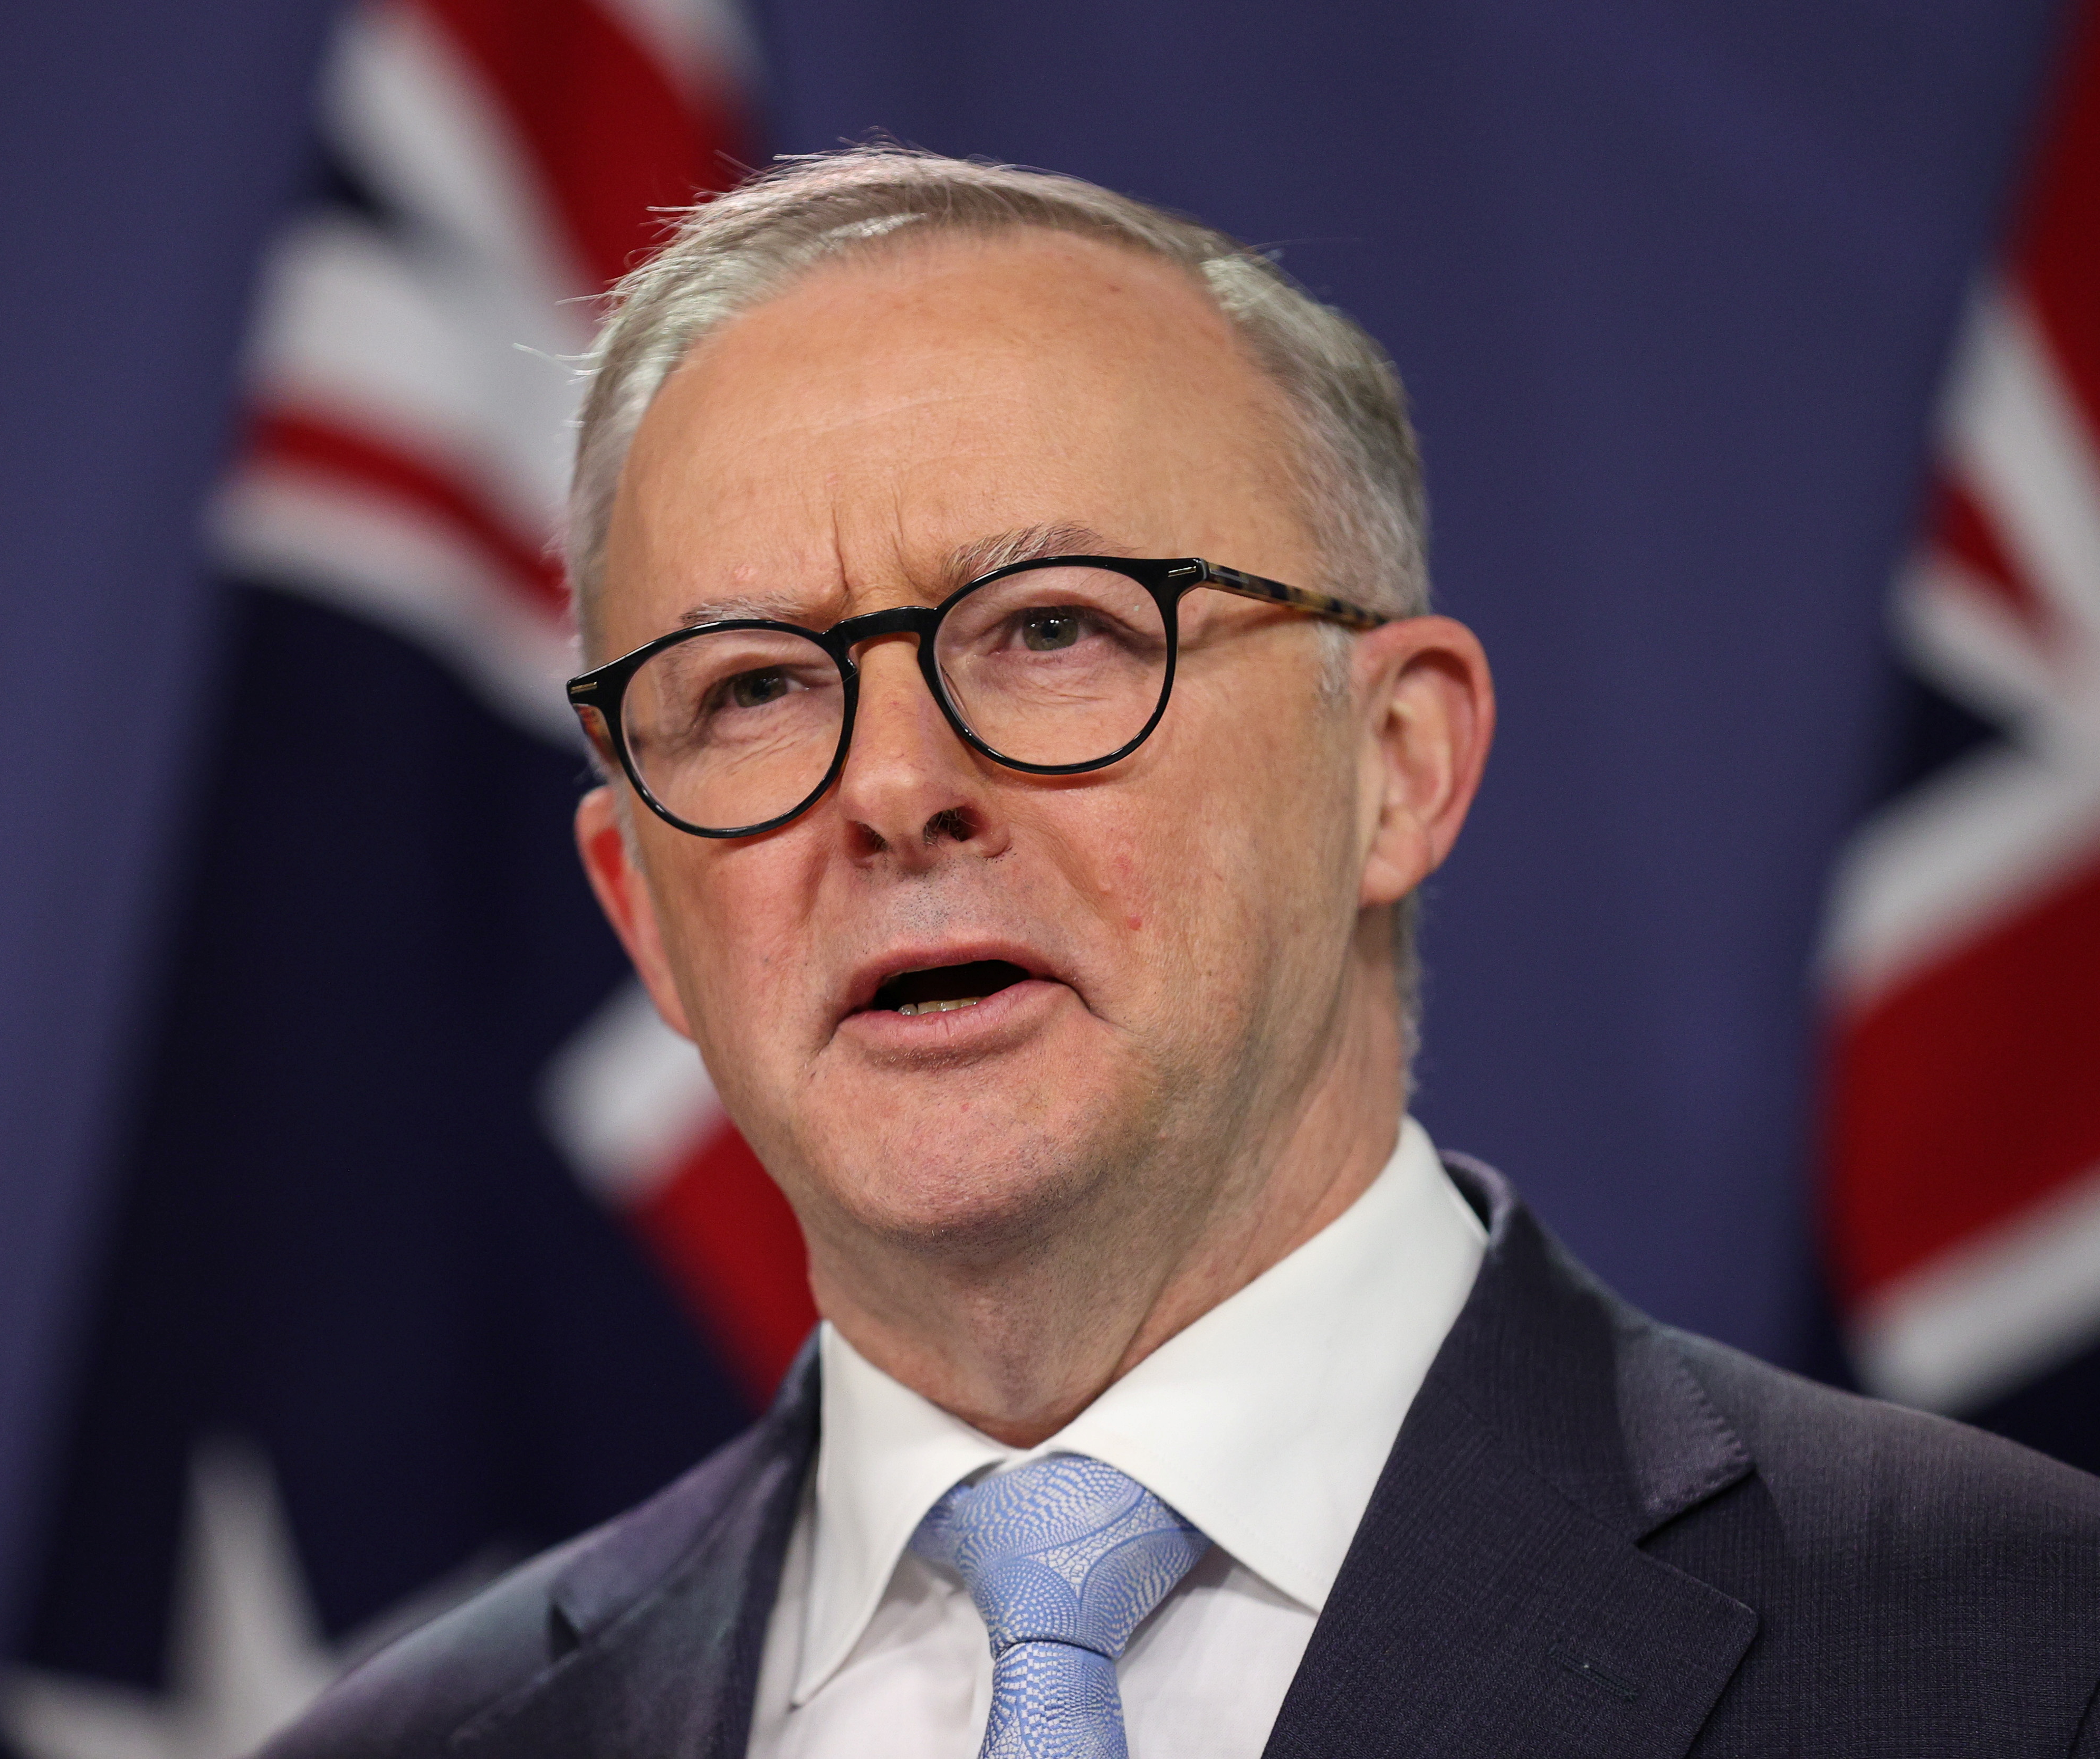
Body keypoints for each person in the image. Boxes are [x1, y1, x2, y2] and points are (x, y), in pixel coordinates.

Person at [261, 148, 2100, 1759]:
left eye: (1053, 630)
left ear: (1397, 767)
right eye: (748, 689)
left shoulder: (2018, 1657)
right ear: (643, 911)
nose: (894, 787)